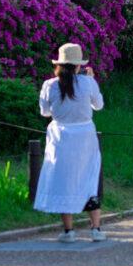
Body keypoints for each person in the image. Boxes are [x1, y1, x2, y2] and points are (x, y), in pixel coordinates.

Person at [34, 43, 107, 243]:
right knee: (88, 178)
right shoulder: (88, 82)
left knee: (64, 180)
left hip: (61, 136)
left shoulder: (49, 85)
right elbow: (99, 105)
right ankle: (96, 229)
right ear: (78, 65)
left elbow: (45, 112)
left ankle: (68, 231)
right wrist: (91, 80)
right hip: (85, 136)